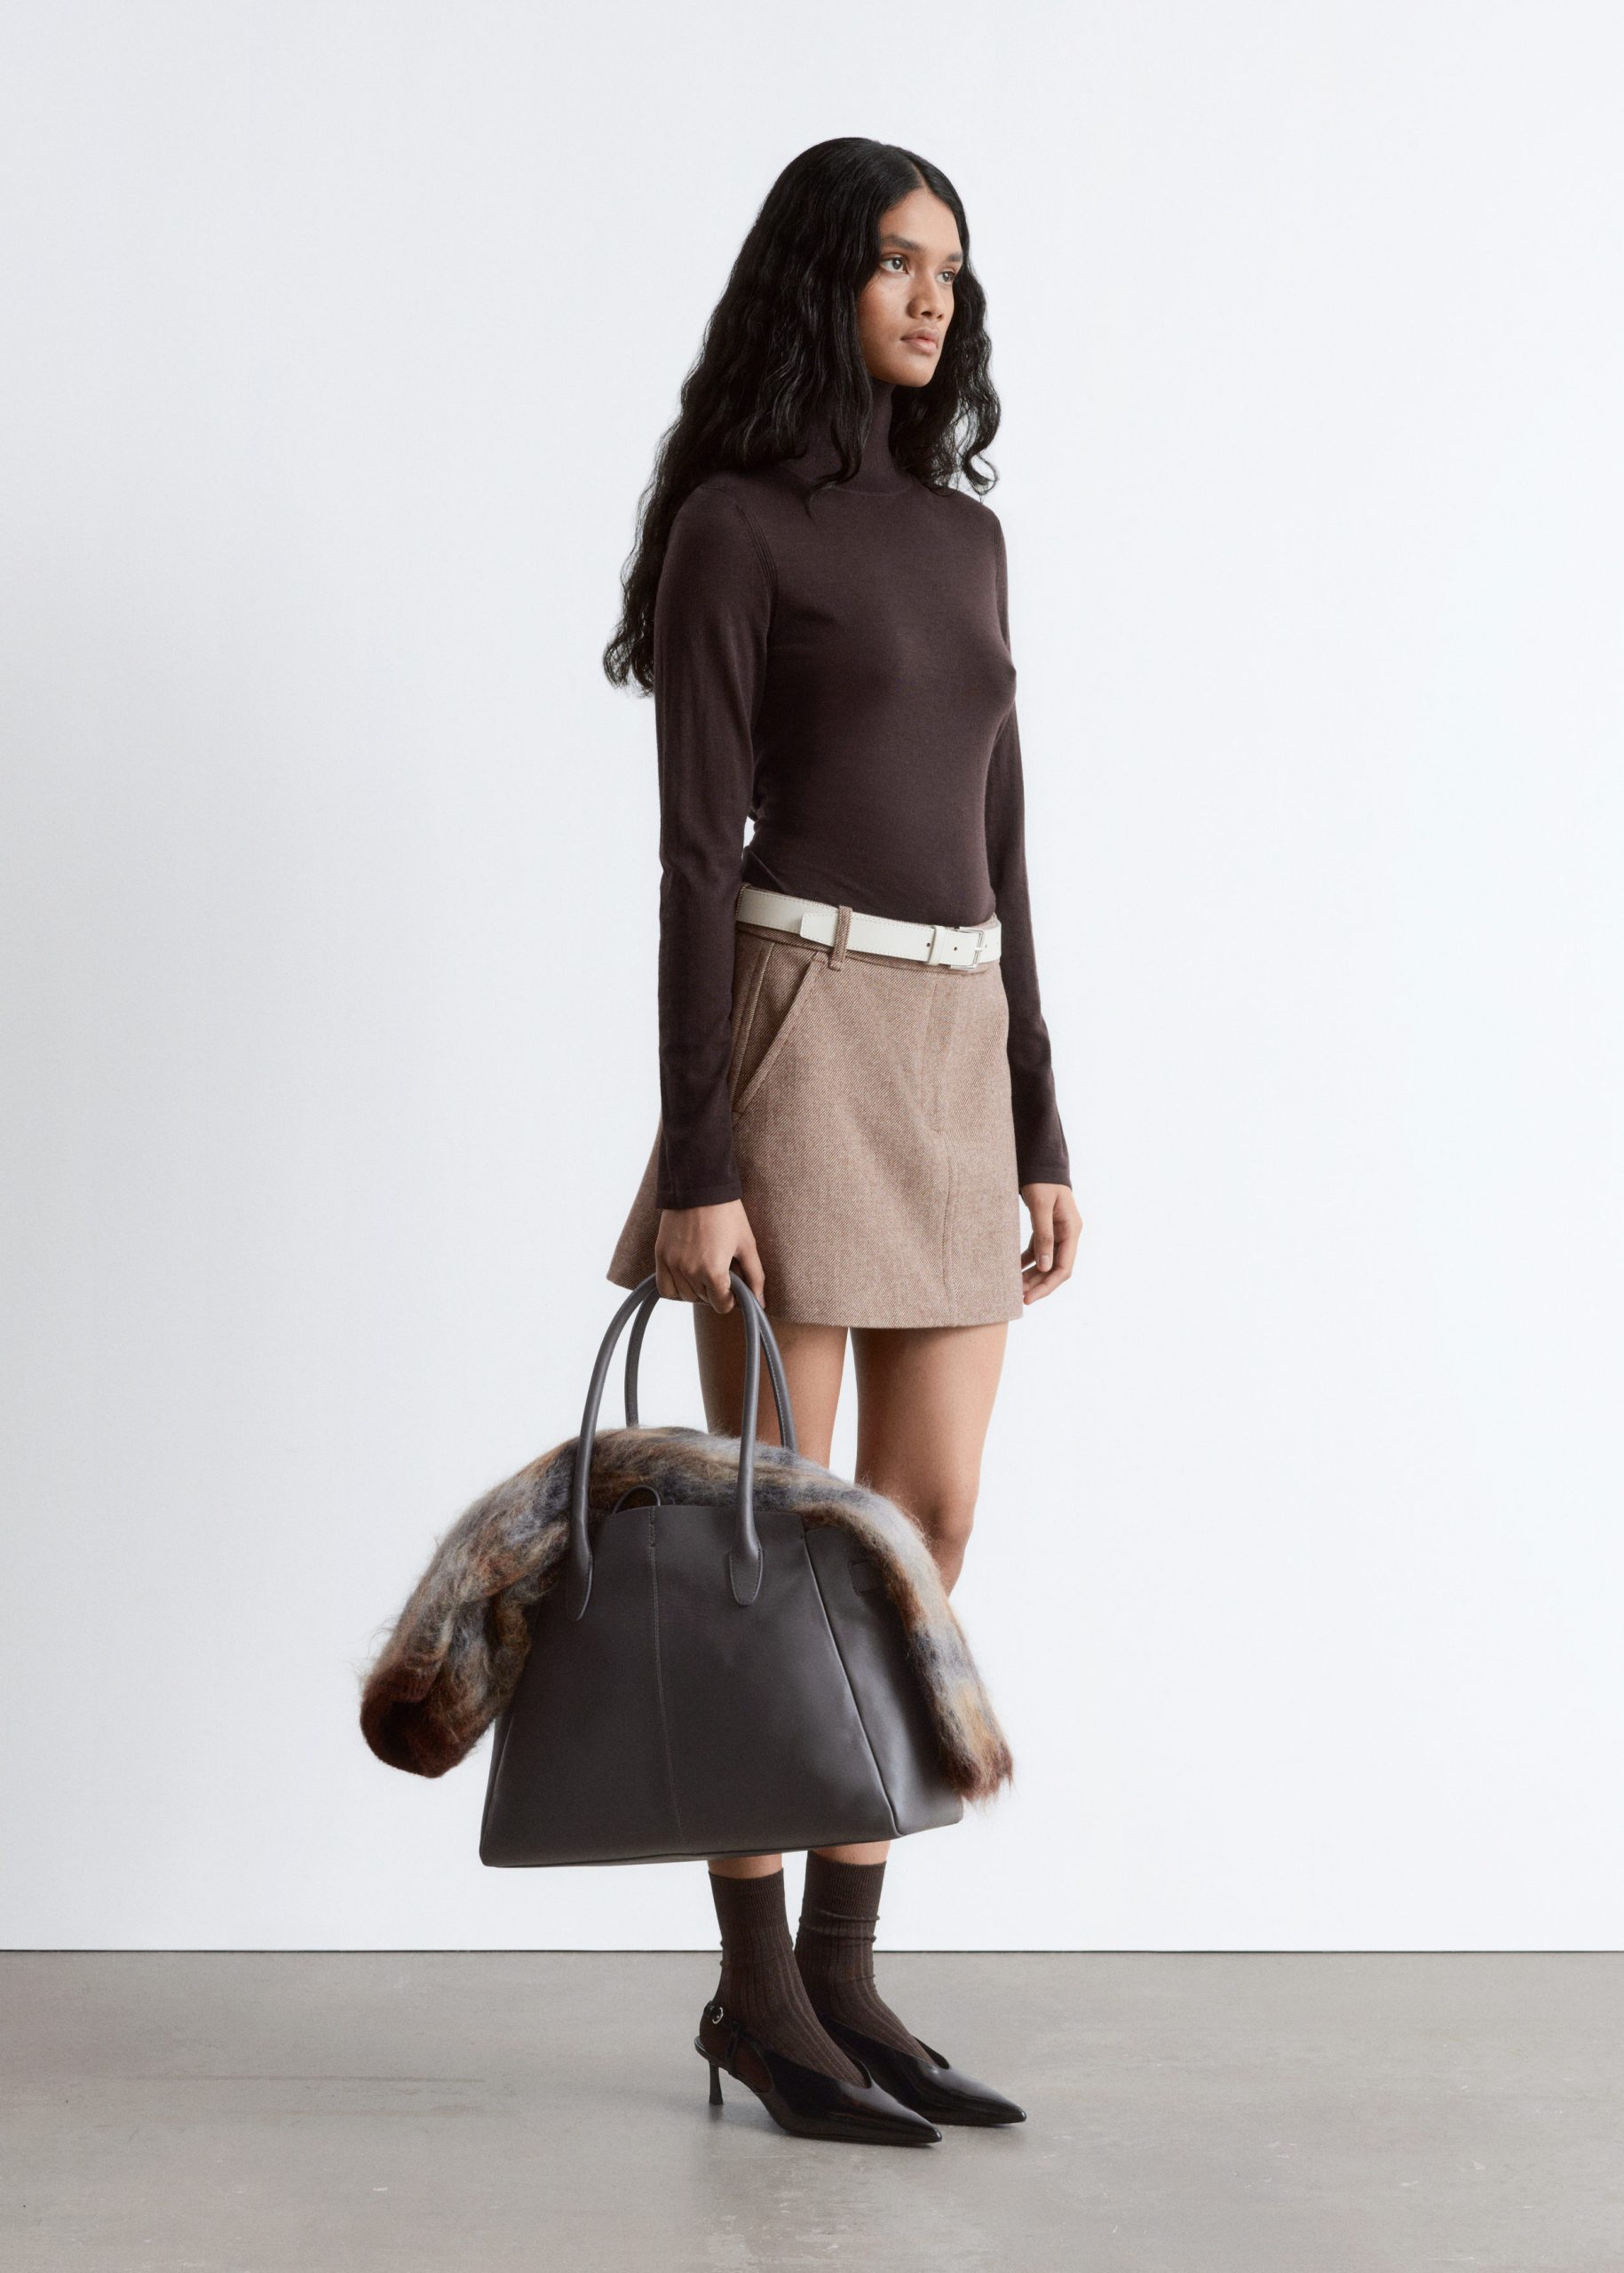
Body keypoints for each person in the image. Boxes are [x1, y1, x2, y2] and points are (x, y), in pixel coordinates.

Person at [600, 137, 1081, 2146]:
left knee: (925, 1521)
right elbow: (688, 864)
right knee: (769, 1538)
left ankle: (849, 1969)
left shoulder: (965, 540)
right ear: (820, 281)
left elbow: (1004, 841)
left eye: (948, 265)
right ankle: (755, 1987)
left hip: (954, 1039)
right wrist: (697, 1155)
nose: (930, 293)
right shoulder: (736, 530)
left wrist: (1040, 1112)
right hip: (793, 1034)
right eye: (891, 260)